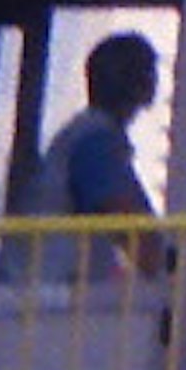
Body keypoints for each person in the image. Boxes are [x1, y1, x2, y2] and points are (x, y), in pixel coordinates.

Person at [35, 31, 162, 248]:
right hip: (50, 279)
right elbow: (134, 233)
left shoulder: (83, 134)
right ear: (140, 82)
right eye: (151, 72)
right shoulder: (95, 143)